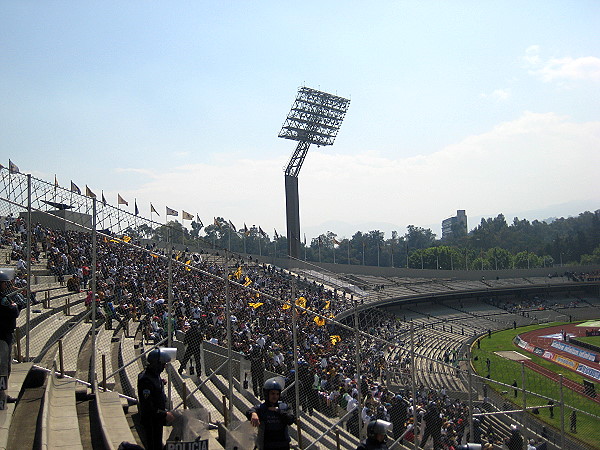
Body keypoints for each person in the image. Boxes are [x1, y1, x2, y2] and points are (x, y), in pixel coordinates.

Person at [137, 347, 176, 450]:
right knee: (154, 446)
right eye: (162, 365)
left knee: (157, 444)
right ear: (156, 364)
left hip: (157, 419)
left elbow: (154, 385)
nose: (163, 367)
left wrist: (160, 382)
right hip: (151, 421)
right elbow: (148, 406)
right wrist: (164, 414)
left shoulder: (154, 376)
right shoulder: (146, 381)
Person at [246, 378, 296, 450]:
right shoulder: (261, 408)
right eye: (272, 393)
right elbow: (249, 412)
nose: (275, 396)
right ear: (266, 394)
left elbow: (290, 419)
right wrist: (253, 414)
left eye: (277, 394)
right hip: (266, 445)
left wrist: (278, 411)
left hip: (282, 445)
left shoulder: (284, 407)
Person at [0, 269, 23, 406]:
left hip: (4, 335)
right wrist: (16, 307)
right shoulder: (3, 299)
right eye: (3, 283)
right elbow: (13, 311)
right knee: (3, 369)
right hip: (3, 337)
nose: (5, 285)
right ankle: (1, 398)